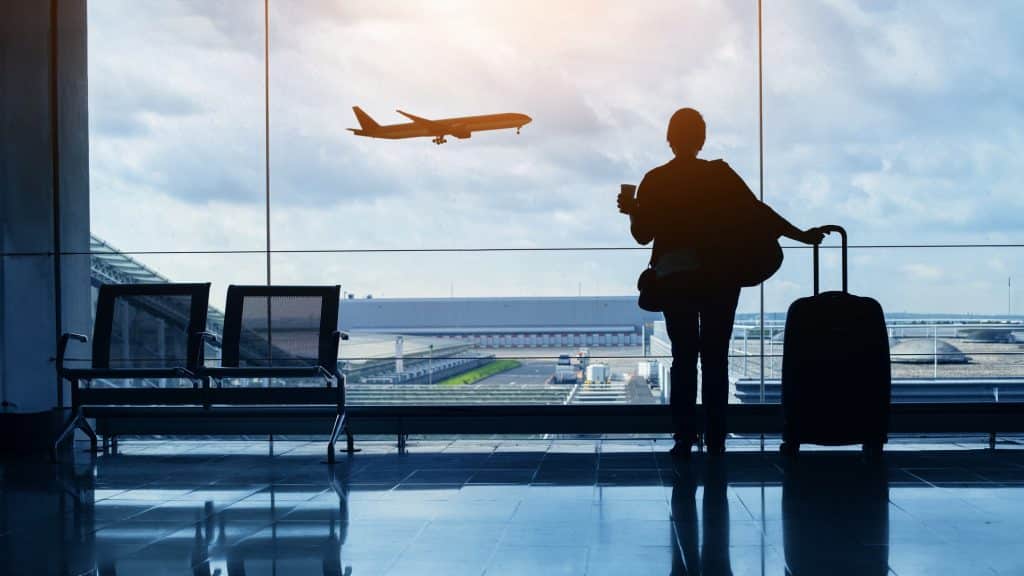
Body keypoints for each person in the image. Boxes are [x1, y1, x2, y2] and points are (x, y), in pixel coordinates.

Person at [618, 108, 823, 457]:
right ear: (701, 139)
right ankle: (716, 437)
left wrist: (634, 209)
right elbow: (758, 211)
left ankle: (684, 438)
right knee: (716, 359)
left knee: (684, 359)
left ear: (669, 139)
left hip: (675, 278)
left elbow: (641, 236)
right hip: (720, 277)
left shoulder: (655, 180)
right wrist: (800, 235)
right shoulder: (719, 175)